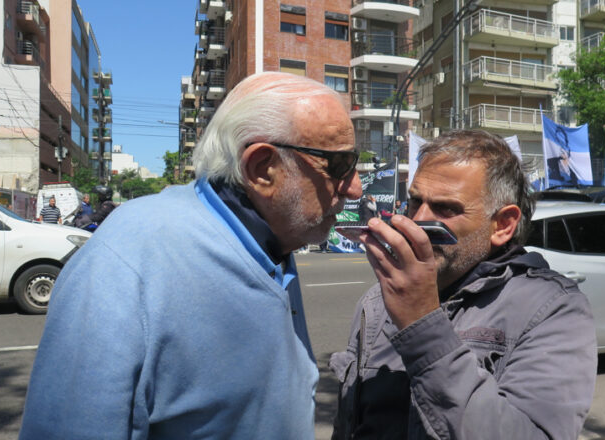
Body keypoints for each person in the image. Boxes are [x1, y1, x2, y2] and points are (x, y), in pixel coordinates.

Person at [19, 72, 362, 439]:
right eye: (339, 166)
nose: (355, 188)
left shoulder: (273, 236)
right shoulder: (128, 258)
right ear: (263, 169)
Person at [330, 130, 597, 440]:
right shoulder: (377, 301)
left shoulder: (554, 309)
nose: (418, 220)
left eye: (446, 209)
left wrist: (421, 325)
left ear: (503, 225)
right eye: (415, 201)